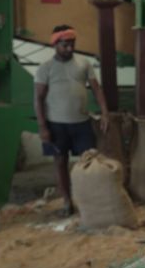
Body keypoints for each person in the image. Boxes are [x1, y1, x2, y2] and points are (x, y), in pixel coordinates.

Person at [34, 24, 109, 216]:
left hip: (81, 123)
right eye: (65, 45)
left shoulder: (84, 63)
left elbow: (97, 89)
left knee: (90, 162)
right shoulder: (45, 68)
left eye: (72, 44)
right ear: (55, 44)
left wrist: (105, 113)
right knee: (60, 162)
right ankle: (67, 202)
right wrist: (43, 127)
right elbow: (39, 99)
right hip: (56, 125)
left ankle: (90, 203)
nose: (69, 48)